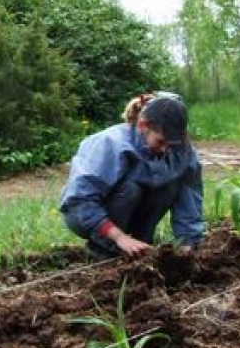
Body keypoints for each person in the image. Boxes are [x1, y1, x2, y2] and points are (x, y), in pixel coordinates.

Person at [59, 92, 204, 259]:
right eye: (161, 142)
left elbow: (189, 202)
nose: (166, 150)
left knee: (170, 186)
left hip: (131, 213)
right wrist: (119, 237)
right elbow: (79, 201)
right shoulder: (111, 143)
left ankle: (140, 245)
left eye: (173, 144)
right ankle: (104, 249)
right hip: (85, 217)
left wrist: (188, 244)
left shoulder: (183, 151)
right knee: (131, 188)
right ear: (143, 125)